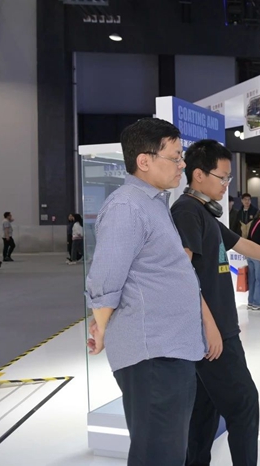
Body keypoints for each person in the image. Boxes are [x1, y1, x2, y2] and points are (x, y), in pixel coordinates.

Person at [85, 118, 207, 466]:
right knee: (158, 454)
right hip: (153, 356)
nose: (182, 164)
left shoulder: (152, 203)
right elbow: (105, 280)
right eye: (175, 156)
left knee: (168, 450)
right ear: (144, 161)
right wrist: (103, 326)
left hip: (169, 349)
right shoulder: (127, 207)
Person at [170, 139, 260, 466]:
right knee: (244, 404)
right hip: (213, 333)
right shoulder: (186, 212)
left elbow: (244, 246)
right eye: (222, 177)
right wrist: (209, 327)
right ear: (199, 175)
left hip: (214, 330)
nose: (226, 185)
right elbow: (181, 275)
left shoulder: (203, 213)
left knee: (204, 412)